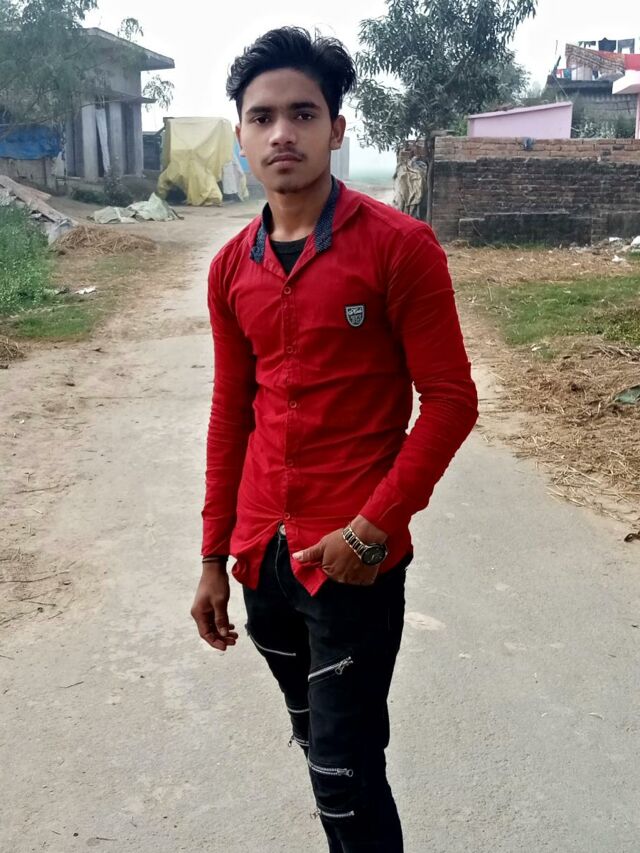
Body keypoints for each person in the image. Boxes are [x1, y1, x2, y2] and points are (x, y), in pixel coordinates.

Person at [190, 27, 478, 852]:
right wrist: (214, 554)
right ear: (241, 136)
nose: (282, 133)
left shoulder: (398, 247)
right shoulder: (231, 268)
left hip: (353, 560)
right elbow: (231, 412)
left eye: (303, 113)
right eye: (262, 117)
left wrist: (372, 528)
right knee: (321, 746)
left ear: (336, 129)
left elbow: (451, 401)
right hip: (262, 561)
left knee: (345, 769)